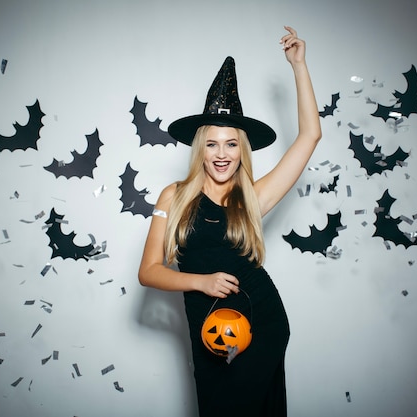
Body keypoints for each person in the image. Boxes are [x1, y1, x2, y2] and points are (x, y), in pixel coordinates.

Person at [138, 26, 321, 417]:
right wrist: (201, 282)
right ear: (200, 147)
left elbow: (309, 136)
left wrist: (299, 66)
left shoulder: (251, 199)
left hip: (261, 321)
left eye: (232, 143)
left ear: (242, 149)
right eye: (212, 143)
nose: (222, 154)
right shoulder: (173, 196)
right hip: (206, 327)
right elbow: (148, 272)